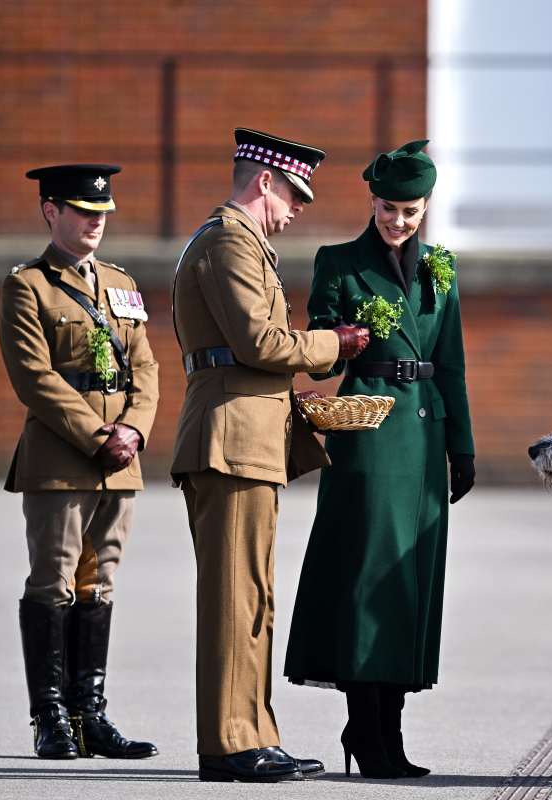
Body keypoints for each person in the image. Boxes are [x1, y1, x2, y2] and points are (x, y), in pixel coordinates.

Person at [171, 128, 370, 783]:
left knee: (252, 596)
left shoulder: (241, 242)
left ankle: (253, 732)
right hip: (229, 442)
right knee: (235, 599)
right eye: (293, 195)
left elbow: (248, 354)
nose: (297, 209)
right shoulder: (228, 241)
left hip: (246, 439)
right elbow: (258, 342)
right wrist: (332, 343)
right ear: (263, 181)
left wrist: (291, 391)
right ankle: (229, 743)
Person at [284, 139, 475, 780]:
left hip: (424, 441)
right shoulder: (338, 262)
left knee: (407, 583)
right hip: (368, 437)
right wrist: (340, 343)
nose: (398, 221)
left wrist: (462, 446)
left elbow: (451, 363)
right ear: (372, 203)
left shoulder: (441, 268)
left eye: (410, 211)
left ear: (426, 208)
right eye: (389, 209)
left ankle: (387, 731)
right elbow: (318, 354)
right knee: (367, 581)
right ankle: (367, 729)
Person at [0, 164, 159, 760]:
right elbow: (33, 377)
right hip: (61, 458)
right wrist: (98, 436)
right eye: (84, 212)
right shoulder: (28, 286)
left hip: (121, 459)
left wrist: (134, 429)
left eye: (102, 213)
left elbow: (145, 367)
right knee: (53, 580)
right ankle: (50, 718)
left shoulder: (120, 283)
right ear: (52, 212)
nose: (96, 222)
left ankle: (90, 715)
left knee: (100, 582)